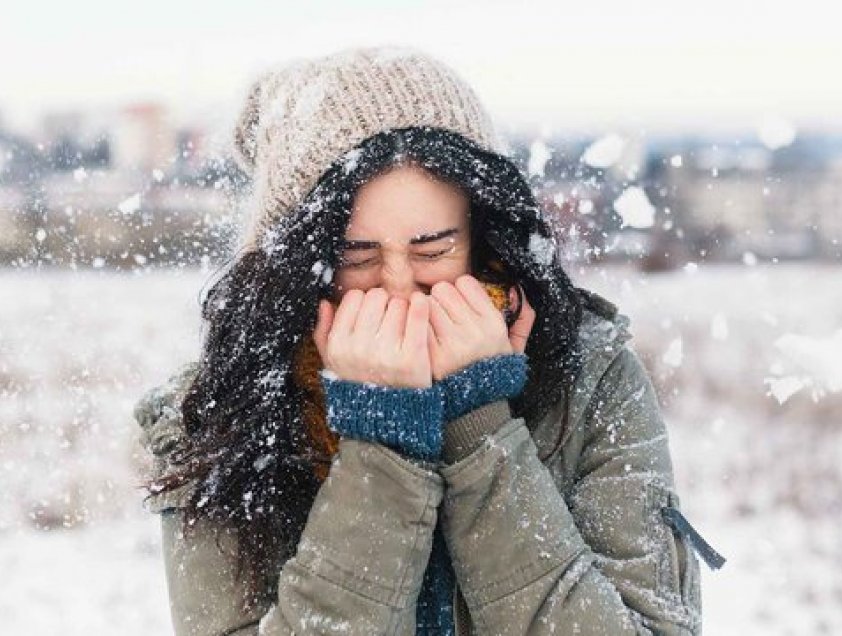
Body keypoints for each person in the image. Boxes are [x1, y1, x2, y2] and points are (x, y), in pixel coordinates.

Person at [134, 45, 722, 635]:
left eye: (432, 250)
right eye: (357, 257)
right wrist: (382, 443)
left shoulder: (589, 381)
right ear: (302, 265)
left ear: (484, 237)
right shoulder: (221, 419)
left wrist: (480, 427)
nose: (399, 288)